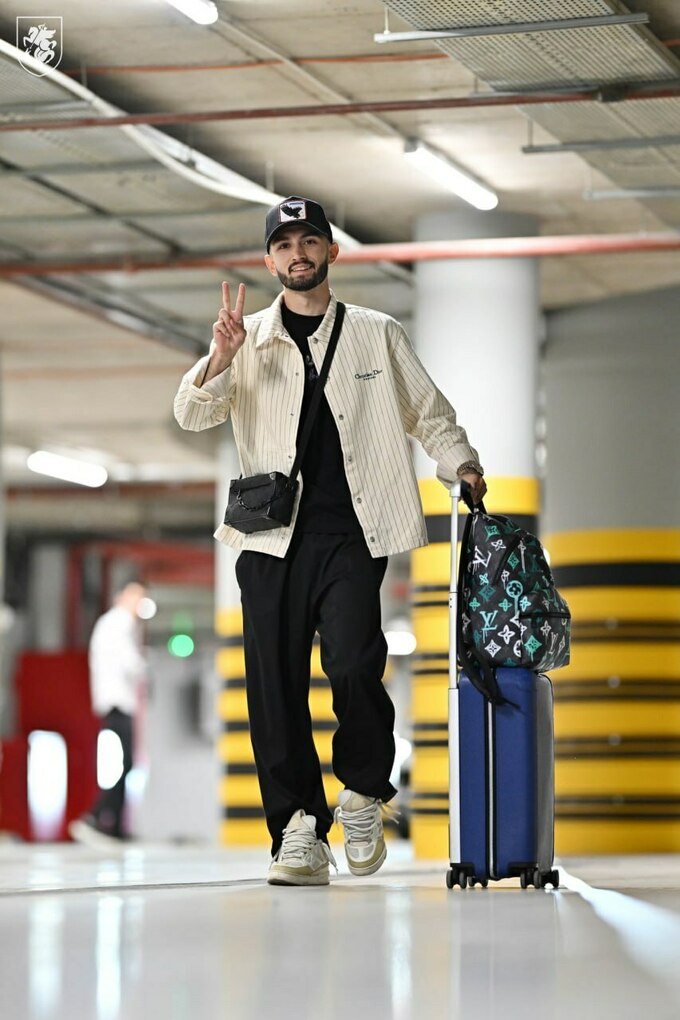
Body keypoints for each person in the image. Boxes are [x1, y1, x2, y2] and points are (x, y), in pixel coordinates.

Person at [174, 196, 486, 886]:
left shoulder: (376, 333)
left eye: (309, 241)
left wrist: (460, 463)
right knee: (274, 687)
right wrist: (219, 358)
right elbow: (191, 414)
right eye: (284, 245)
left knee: (353, 665)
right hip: (268, 539)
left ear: (331, 252)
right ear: (269, 261)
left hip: (353, 533)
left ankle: (364, 791)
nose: (298, 254)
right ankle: (297, 831)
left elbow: (428, 413)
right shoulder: (247, 337)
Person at [69, 581, 147, 847]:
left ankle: (114, 827)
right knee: (124, 764)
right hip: (118, 702)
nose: (138, 602)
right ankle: (95, 817)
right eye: (135, 596)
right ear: (121, 596)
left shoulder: (112, 623)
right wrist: (144, 668)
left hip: (113, 701)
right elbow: (129, 663)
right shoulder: (119, 622)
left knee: (125, 763)